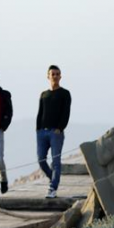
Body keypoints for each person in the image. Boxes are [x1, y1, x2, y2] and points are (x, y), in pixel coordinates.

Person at [36, 65, 71, 198]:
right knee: (41, 160)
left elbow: (66, 112)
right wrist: (37, 129)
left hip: (56, 133)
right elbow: (40, 113)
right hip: (42, 133)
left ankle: (53, 187)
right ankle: (53, 178)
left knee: (55, 161)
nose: (55, 76)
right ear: (48, 76)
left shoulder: (65, 93)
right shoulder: (44, 94)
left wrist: (60, 128)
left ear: (60, 76)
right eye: (53, 74)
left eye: (57, 74)